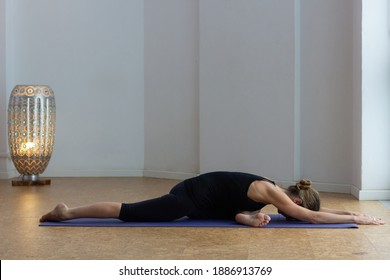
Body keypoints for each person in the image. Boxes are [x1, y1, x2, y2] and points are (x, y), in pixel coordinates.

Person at [39, 171, 385, 227]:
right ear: (296, 198)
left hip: (204, 200)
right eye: (292, 209)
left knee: (245, 214)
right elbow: (311, 218)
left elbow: (231, 211)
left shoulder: (270, 194)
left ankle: (66, 211)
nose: (289, 214)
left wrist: (348, 211)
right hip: (188, 199)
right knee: (129, 212)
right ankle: (67, 212)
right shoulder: (272, 192)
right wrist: (357, 219)